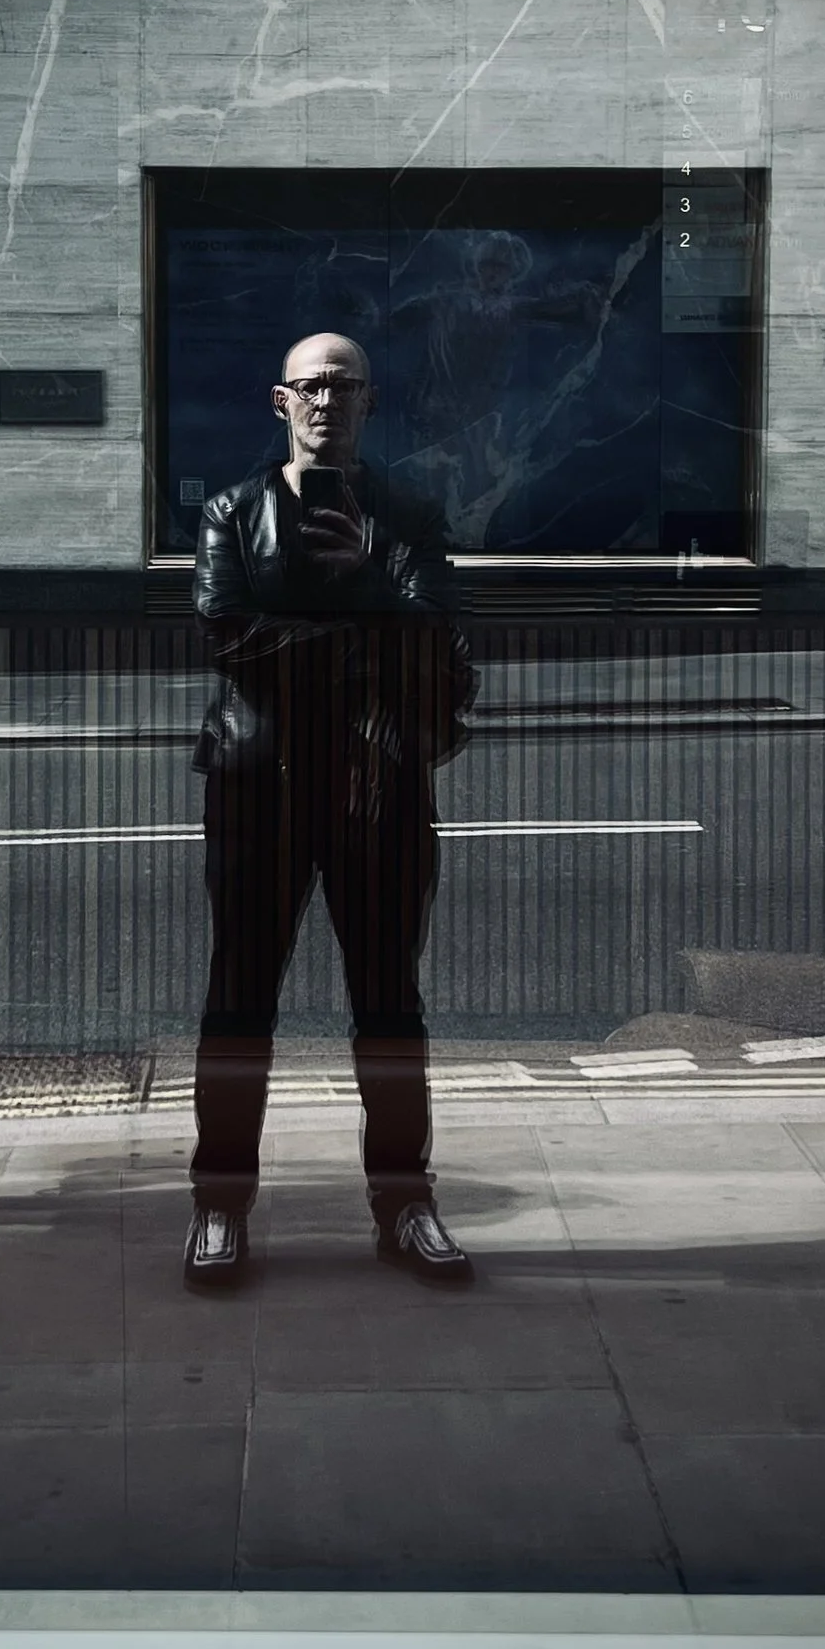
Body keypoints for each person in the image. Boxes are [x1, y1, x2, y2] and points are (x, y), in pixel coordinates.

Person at [184, 331, 477, 1291]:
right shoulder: (231, 510)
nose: (325, 401)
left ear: (369, 402)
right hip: (259, 790)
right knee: (240, 1006)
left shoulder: (407, 514)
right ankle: (219, 1209)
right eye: (310, 386)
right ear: (280, 400)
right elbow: (229, 637)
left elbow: (440, 643)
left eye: (343, 387)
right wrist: (372, 627)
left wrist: (363, 578)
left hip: (378, 786)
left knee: (389, 1005)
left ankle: (406, 1205)